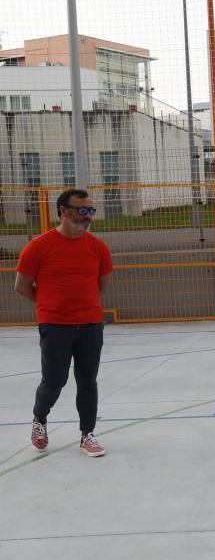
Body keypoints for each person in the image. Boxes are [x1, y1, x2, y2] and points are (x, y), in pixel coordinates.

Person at [14, 189, 113, 458]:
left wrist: (84, 309)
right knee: (54, 381)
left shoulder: (98, 247)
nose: (87, 216)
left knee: (87, 381)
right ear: (63, 211)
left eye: (90, 211)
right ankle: (39, 418)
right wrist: (49, 306)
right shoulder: (39, 247)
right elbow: (21, 286)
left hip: (91, 325)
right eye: (82, 210)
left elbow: (101, 285)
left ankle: (87, 434)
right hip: (55, 326)